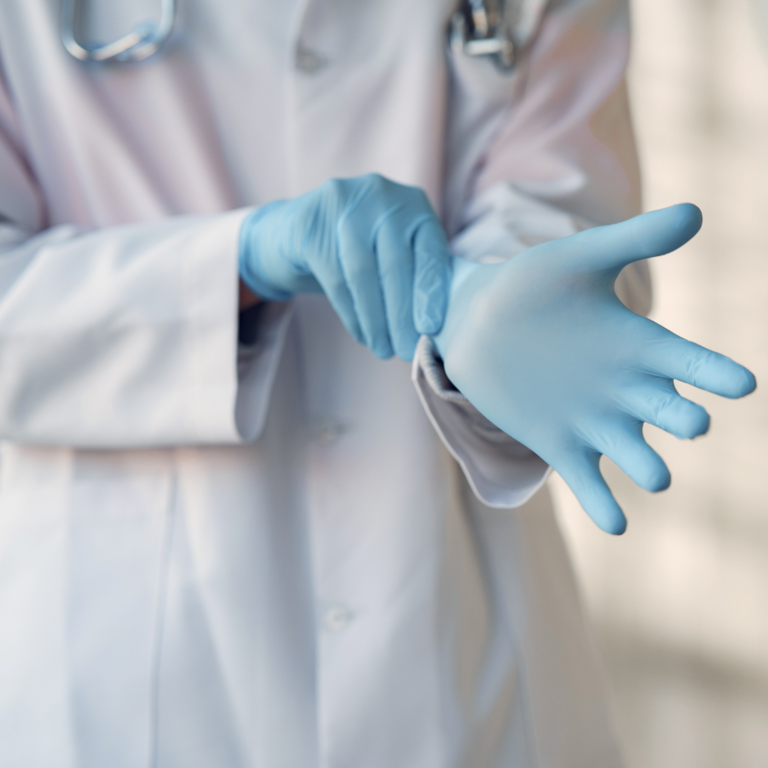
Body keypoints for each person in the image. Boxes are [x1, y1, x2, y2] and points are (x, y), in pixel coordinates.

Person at [0, 0, 755, 766]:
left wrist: (503, 302)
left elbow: (571, 216)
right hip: (123, 674)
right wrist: (238, 259)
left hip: (457, 657)